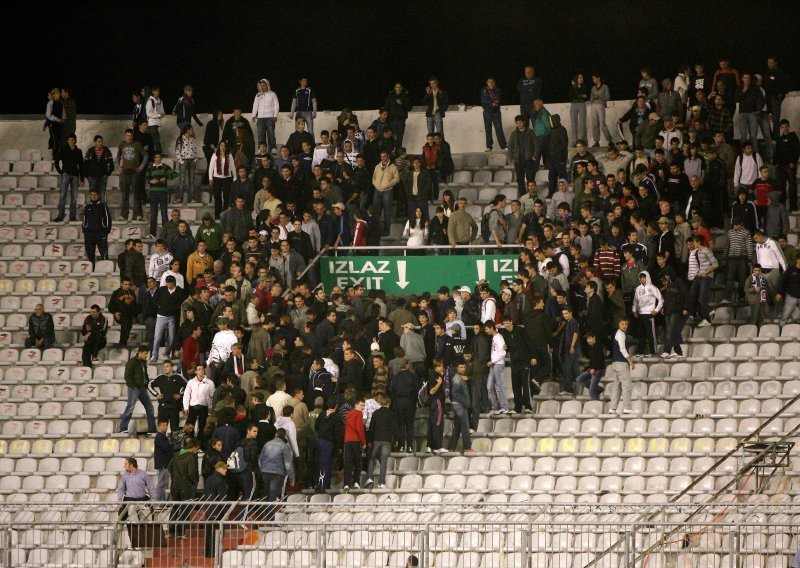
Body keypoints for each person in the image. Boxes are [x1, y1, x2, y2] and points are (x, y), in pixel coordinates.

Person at [119, 345, 157, 434]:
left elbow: (145, 374)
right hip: (134, 388)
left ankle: (152, 429)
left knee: (150, 407)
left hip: (142, 388)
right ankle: (123, 428)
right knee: (130, 407)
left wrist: (146, 382)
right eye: (145, 354)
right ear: (139, 353)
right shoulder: (131, 362)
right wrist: (134, 386)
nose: (146, 356)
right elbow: (127, 376)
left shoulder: (143, 362)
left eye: (147, 354)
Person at [167, 438, 199, 538]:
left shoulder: (176, 455)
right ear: (193, 448)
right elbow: (191, 473)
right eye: (196, 449)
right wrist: (194, 482)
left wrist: (174, 477)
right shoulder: (191, 457)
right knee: (185, 508)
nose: (196, 451)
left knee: (175, 507)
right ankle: (181, 532)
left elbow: (169, 467)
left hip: (175, 485)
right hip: (186, 486)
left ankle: (171, 531)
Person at [116, 128, 147, 222]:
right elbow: (118, 156)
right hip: (125, 172)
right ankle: (124, 215)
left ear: (132, 136)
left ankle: (138, 214)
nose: (128, 137)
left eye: (130, 136)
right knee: (125, 194)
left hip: (135, 172)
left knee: (136, 194)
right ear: (125, 136)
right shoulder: (122, 144)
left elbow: (146, 155)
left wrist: (142, 166)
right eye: (127, 135)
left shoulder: (137, 144)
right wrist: (118, 165)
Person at [151, 276, 184, 361]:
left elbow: (181, 302)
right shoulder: (161, 289)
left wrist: (174, 308)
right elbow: (154, 299)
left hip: (171, 316)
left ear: (174, 283)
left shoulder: (178, 291)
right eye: (168, 283)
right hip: (161, 316)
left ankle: (167, 354)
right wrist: (159, 306)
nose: (169, 284)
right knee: (157, 337)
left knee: (171, 337)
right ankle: (154, 355)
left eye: (171, 283)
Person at [148, 360, 187, 431]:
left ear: (172, 367)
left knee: (175, 430)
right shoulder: (160, 377)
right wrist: (156, 394)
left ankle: (174, 442)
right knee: (162, 430)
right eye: (164, 367)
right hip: (163, 407)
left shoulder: (178, 377)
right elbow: (149, 384)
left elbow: (188, 386)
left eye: (167, 366)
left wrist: (181, 394)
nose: (165, 368)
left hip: (174, 407)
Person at [607, 319, 635, 414]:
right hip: (621, 363)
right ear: (619, 324)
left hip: (615, 363)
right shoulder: (621, 334)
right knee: (626, 385)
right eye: (622, 324)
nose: (624, 326)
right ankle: (627, 407)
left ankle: (613, 407)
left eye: (626, 324)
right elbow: (622, 349)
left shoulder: (617, 333)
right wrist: (630, 361)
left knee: (617, 386)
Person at [54, 132, 84, 222]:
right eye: (69, 140)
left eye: (73, 140)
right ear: (67, 141)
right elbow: (56, 162)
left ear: (75, 141)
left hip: (75, 176)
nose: (71, 141)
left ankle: (72, 216)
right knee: (63, 196)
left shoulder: (79, 151)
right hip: (65, 176)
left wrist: (82, 179)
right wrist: (61, 172)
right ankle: (61, 216)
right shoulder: (63, 150)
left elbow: (81, 166)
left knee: (74, 198)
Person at [260, 428, 295, 503]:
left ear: (276, 434)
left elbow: (260, 459)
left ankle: (264, 513)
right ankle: (270, 514)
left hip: (265, 472)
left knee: (265, 495)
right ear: (284, 436)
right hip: (278, 473)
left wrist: (262, 469)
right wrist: (292, 478)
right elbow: (288, 464)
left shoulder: (267, 444)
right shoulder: (285, 446)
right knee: (272, 496)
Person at [632, 271, 663, 355]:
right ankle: (640, 352)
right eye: (641, 277)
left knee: (650, 334)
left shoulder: (653, 288)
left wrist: (656, 310)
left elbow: (661, 300)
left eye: (644, 277)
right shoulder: (638, 289)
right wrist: (634, 310)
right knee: (641, 334)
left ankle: (653, 352)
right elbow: (635, 301)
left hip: (649, 313)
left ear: (647, 277)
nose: (642, 279)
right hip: (640, 314)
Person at [507, 115, 538, 196]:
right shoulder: (514, 134)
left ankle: (531, 194)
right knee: (520, 179)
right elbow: (510, 146)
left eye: (520, 122)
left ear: (524, 122)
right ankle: (523, 195)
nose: (519, 124)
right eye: (517, 123)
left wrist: (535, 155)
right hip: (518, 160)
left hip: (528, 159)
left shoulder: (531, 132)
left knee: (530, 178)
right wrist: (511, 158)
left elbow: (536, 144)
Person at [202, 462, 228, 558]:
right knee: (218, 533)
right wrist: (226, 512)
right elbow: (222, 497)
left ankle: (208, 553)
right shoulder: (221, 481)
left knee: (209, 533)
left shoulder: (209, 478)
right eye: (224, 468)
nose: (226, 470)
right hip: (218, 511)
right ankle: (215, 554)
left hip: (209, 509)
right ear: (219, 468)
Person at [183, 364, 215, 442]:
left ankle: (201, 444)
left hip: (204, 407)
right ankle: (189, 443)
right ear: (196, 371)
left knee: (202, 426)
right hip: (193, 407)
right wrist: (186, 407)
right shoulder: (191, 382)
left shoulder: (210, 382)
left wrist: (210, 407)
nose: (201, 371)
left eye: (202, 369)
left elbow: (212, 396)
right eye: (199, 369)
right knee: (190, 426)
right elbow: (186, 395)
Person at [447, 359, 473, 453]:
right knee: (465, 426)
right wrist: (466, 402)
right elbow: (455, 393)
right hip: (460, 406)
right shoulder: (458, 378)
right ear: (457, 368)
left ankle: (451, 447)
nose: (462, 369)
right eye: (461, 367)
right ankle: (467, 447)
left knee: (457, 427)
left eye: (464, 367)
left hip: (457, 405)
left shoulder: (458, 377)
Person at [82, 188, 112, 268]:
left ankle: (106, 270)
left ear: (98, 196)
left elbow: (108, 218)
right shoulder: (87, 206)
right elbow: (85, 219)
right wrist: (84, 230)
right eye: (92, 195)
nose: (93, 196)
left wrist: (106, 231)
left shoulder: (103, 206)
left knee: (104, 254)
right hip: (89, 234)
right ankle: (92, 271)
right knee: (90, 255)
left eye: (95, 195)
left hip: (100, 233)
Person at [372, 150, 400, 234]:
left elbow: (397, 178)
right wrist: (375, 184)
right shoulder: (377, 166)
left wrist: (389, 184)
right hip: (377, 191)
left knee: (387, 212)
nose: (383, 158)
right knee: (376, 212)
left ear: (388, 156)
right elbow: (373, 177)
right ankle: (376, 230)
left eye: (384, 156)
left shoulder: (393, 166)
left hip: (387, 191)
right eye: (381, 156)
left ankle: (386, 230)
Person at [484, 321, 509, 414]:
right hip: (494, 364)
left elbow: (503, 353)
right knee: (489, 386)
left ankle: (505, 407)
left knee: (499, 386)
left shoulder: (499, 338)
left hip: (498, 364)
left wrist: (492, 361)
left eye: (487, 329)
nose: (486, 331)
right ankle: (495, 407)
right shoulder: (494, 337)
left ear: (491, 327)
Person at [342, 399, 366, 492]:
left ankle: (346, 484)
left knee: (348, 463)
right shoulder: (358, 414)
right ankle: (356, 482)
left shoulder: (348, 415)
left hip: (347, 441)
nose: (362, 407)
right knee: (357, 462)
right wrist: (363, 442)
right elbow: (359, 429)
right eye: (361, 405)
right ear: (356, 405)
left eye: (364, 406)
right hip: (356, 440)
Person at [209, 140, 235, 219]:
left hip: (227, 178)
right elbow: (211, 167)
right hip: (217, 178)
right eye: (221, 145)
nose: (223, 147)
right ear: (219, 146)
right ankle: (217, 216)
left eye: (224, 146)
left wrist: (235, 177)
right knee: (217, 198)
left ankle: (226, 216)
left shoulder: (229, 155)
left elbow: (232, 166)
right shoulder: (215, 155)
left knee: (226, 197)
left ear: (226, 147)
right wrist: (210, 178)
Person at [83, 135, 114, 202]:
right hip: (92, 177)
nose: (100, 143)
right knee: (93, 196)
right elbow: (85, 164)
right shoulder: (90, 151)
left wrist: (107, 174)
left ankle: (102, 211)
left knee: (102, 195)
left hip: (103, 177)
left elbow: (111, 164)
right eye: (99, 141)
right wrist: (88, 175)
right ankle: (92, 211)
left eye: (101, 141)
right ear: (95, 142)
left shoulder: (106, 151)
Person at [109, 277, 138, 347]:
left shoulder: (132, 293)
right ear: (121, 284)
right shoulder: (116, 293)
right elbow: (110, 305)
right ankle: (122, 342)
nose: (127, 286)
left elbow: (135, 305)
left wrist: (135, 316)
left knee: (127, 322)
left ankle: (123, 342)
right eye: (125, 284)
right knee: (126, 322)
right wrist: (115, 312)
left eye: (128, 284)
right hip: (120, 315)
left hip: (129, 315)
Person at [252, 78, 280, 151]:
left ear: (267, 85)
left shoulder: (272, 94)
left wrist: (275, 115)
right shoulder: (258, 95)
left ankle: (272, 148)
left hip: (270, 117)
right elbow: (255, 105)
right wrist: (253, 115)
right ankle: (261, 149)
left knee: (271, 134)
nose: (262, 87)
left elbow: (276, 105)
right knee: (261, 135)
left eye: (264, 85)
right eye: (261, 86)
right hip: (260, 118)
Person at [480, 77, 507, 151]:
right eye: (489, 82)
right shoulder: (483, 90)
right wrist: (491, 103)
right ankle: (489, 146)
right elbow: (483, 101)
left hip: (496, 112)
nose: (491, 83)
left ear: (494, 82)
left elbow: (497, 100)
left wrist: (491, 103)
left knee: (499, 129)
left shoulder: (498, 90)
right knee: (488, 129)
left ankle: (504, 146)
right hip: (487, 112)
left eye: (492, 82)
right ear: (487, 82)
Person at [174, 125, 198, 205]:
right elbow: (177, 151)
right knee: (182, 180)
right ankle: (180, 198)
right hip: (184, 160)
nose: (192, 131)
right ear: (187, 130)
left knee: (192, 180)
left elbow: (195, 150)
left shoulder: (193, 139)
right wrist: (181, 161)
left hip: (192, 160)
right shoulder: (180, 139)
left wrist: (195, 159)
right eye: (191, 129)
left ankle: (192, 198)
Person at [588, 73, 612, 147]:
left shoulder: (605, 87)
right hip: (593, 106)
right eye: (592, 79)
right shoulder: (593, 88)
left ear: (599, 78)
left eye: (594, 78)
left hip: (601, 105)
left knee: (602, 123)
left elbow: (608, 97)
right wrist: (594, 98)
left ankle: (609, 140)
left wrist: (599, 97)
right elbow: (591, 99)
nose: (593, 80)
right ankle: (596, 141)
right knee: (595, 124)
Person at [776, 256, 800, 328]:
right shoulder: (790, 269)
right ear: (797, 260)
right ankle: (779, 333)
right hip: (791, 296)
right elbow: (782, 281)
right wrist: (779, 292)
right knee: (785, 316)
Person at [153, 420, 173, 501]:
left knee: (163, 483)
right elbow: (166, 448)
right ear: (159, 426)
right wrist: (172, 445)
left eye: (166, 425)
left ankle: (161, 501)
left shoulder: (162, 437)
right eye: (163, 425)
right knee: (161, 483)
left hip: (164, 463)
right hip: (163, 464)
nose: (165, 427)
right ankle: (160, 501)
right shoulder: (159, 437)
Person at [569, 73, 590, 143]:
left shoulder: (585, 86)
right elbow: (571, 96)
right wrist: (576, 88)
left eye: (582, 77)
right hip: (573, 104)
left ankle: (581, 140)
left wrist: (578, 94)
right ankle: (575, 141)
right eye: (580, 77)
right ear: (576, 79)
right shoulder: (572, 87)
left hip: (582, 104)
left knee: (582, 123)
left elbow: (586, 96)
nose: (582, 79)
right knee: (574, 123)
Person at [145, 87, 166, 154]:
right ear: (153, 92)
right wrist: (158, 115)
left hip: (157, 122)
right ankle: (159, 153)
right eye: (156, 91)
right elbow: (148, 113)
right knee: (155, 138)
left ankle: (154, 153)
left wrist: (162, 114)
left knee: (154, 139)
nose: (157, 93)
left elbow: (162, 110)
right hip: (151, 123)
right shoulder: (150, 101)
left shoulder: (160, 101)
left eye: (158, 91)